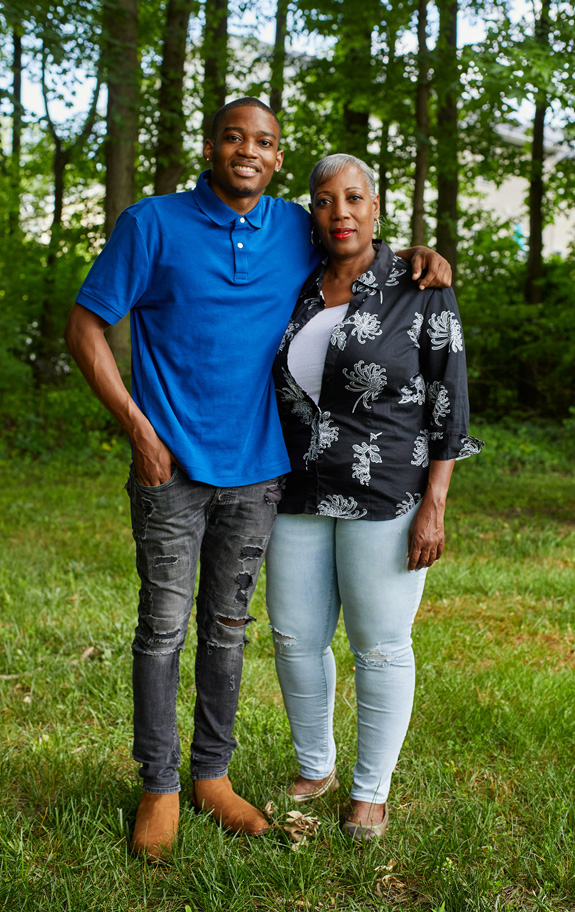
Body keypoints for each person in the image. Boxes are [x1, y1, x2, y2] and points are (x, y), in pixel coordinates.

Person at [64, 98, 452, 860]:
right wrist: (140, 434)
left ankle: (212, 775)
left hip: (261, 473)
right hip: (170, 469)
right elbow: (85, 328)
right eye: (234, 137)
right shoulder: (152, 224)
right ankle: (160, 784)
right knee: (162, 629)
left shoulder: (291, 230)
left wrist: (422, 256)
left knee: (229, 630)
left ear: (277, 159)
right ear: (210, 146)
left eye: (264, 142)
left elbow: (354, 243)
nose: (248, 150)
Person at [265, 153, 483, 840]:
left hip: (387, 491)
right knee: (295, 637)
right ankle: (315, 765)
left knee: (380, 646)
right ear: (311, 213)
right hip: (296, 487)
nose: (341, 213)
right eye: (325, 201)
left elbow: (450, 404)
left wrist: (435, 506)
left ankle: (369, 790)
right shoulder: (291, 285)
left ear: (375, 206)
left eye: (353, 198)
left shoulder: (419, 286)